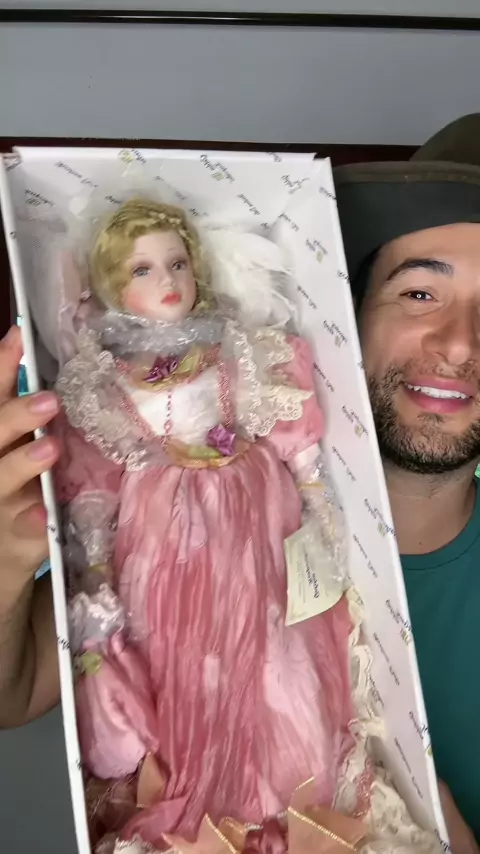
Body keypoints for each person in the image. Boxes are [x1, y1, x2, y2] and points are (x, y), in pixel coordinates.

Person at [0, 113, 479, 853]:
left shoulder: (256, 393)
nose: (460, 344)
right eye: (420, 293)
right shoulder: (138, 536)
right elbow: (14, 687)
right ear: (348, 309)